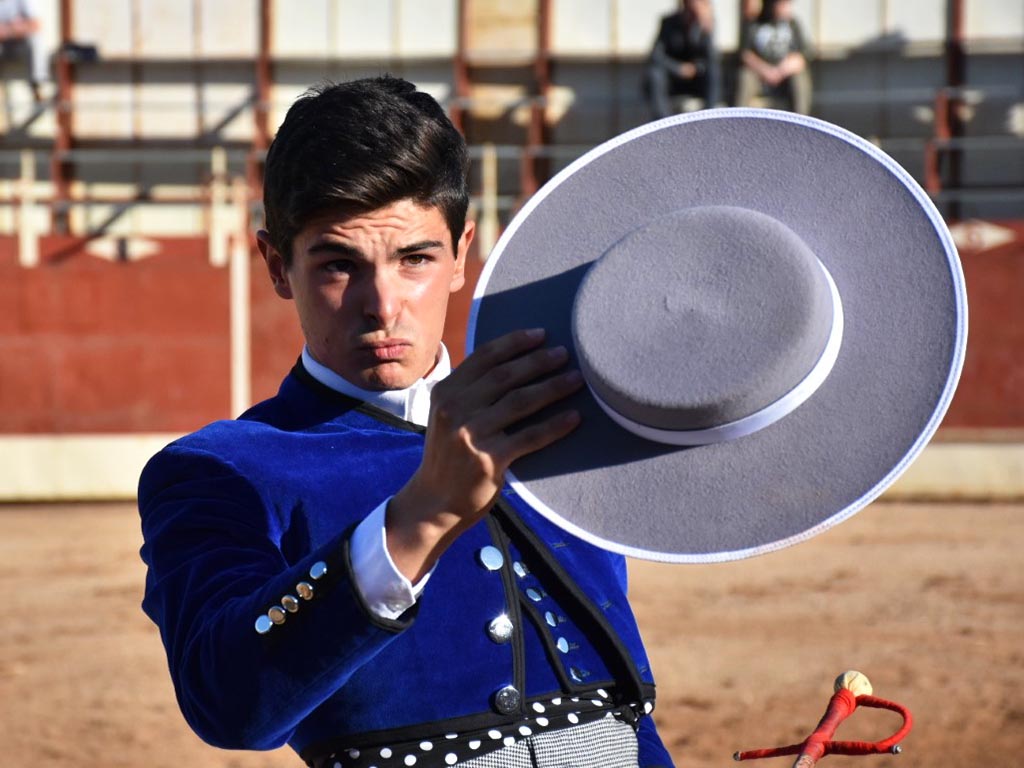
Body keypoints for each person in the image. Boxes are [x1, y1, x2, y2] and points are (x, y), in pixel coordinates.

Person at [138, 76, 675, 768]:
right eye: (339, 266)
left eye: (415, 258)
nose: (382, 305)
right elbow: (228, 700)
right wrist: (417, 518)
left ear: (461, 253)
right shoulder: (224, 470)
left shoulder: (557, 410)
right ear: (277, 265)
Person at [644, 0, 720, 118]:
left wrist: (695, 68)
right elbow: (656, 56)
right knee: (654, 74)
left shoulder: (705, 25)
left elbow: (710, 59)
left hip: (696, 79)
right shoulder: (668, 23)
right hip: (673, 80)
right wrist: (679, 68)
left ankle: (709, 117)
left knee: (713, 71)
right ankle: (663, 120)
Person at [735, 0, 811, 115]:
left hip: (785, 76)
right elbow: (745, 54)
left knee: (800, 79)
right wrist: (766, 71)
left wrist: (782, 70)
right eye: (782, 4)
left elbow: (803, 55)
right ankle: (737, 119)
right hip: (759, 74)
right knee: (744, 77)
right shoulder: (754, 23)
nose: (787, 8)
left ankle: (801, 122)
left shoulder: (793, 24)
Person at [0, 0, 46, 102]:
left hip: (20, 45)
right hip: (2, 47)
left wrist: (11, 29)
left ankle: (36, 85)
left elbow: (36, 24)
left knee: (34, 41)